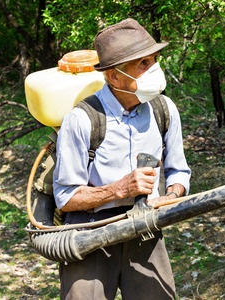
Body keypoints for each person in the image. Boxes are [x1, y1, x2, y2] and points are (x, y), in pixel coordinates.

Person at [53, 18, 191, 300]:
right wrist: (120, 189)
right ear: (114, 77)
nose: (154, 70)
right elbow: (65, 198)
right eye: (142, 64)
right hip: (90, 231)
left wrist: (171, 194)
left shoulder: (164, 110)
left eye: (154, 60)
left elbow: (179, 172)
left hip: (144, 226)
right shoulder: (81, 120)